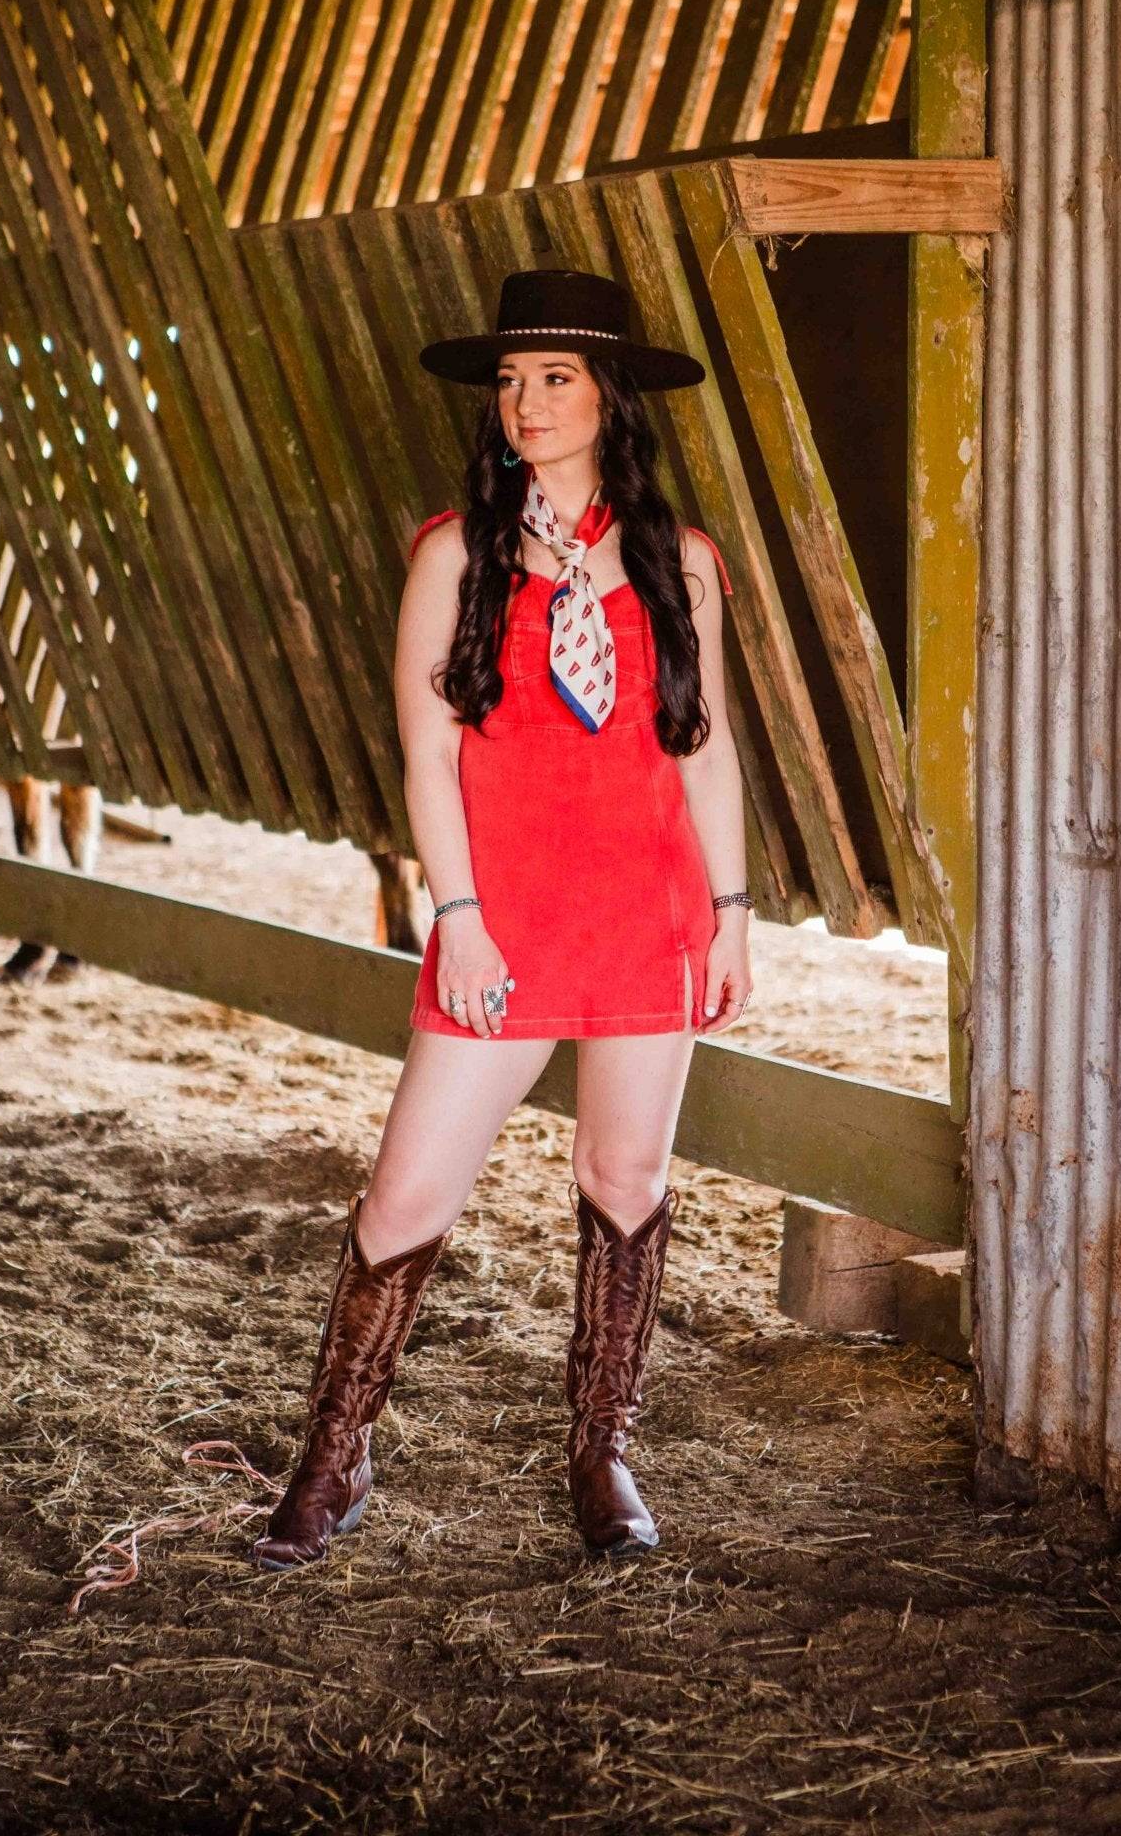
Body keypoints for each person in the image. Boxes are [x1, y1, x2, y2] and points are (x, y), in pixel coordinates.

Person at [250, 266, 753, 1572]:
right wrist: (458, 914)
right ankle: (335, 1454)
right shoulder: (455, 555)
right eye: (512, 380)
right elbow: (428, 757)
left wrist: (733, 913)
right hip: (504, 920)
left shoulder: (684, 563)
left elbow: (703, 751)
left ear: (611, 397)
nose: (526, 402)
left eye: (556, 377)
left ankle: (600, 1449)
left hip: (648, 912)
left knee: (624, 1181)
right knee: (407, 1191)